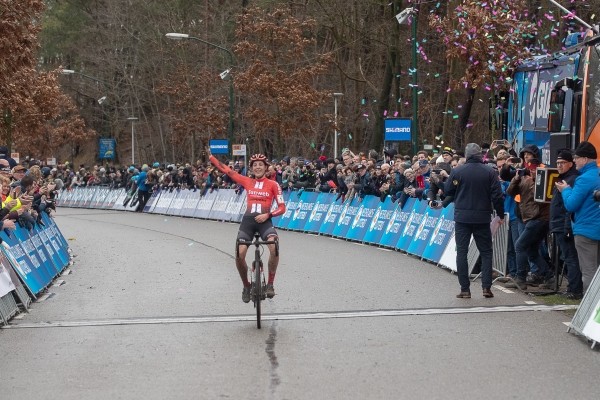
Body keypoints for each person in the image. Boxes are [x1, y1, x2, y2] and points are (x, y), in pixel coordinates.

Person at [208, 150, 286, 302]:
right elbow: (228, 171)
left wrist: (268, 215)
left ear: (266, 167)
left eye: (260, 165)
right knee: (239, 254)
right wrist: (211, 157)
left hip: (265, 222)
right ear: (251, 168)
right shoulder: (247, 181)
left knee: (274, 247)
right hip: (248, 222)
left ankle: (270, 284)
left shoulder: (273, 185)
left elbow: (282, 207)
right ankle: (246, 285)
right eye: (255, 165)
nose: (258, 167)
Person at [444, 143, 505, 299]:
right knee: (485, 252)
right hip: (482, 217)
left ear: (466, 154)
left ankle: (465, 289)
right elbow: (497, 195)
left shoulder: (457, 171)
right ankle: (486, 287)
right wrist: (500, 213)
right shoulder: (490, 172)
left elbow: (448, 191)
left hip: (462, 217)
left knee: (462, 252)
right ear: (480, 155)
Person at [555, 141, 600, 293]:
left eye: (577, 158)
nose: (574, 161)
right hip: (596, 228)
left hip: (585, 231)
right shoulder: (597, 175)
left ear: (585, 159)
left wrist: (566, 190)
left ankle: (590, 310)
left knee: (588, 272)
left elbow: (571, 205)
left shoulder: (583, 179)